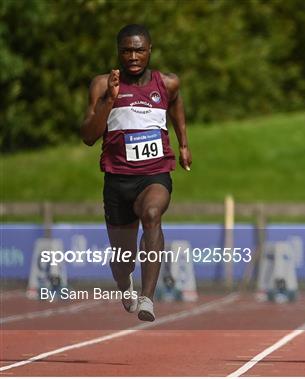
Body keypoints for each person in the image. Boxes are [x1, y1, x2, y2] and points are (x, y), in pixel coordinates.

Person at [81, 24, 192, 322]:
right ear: (118, 51)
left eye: (139, 49)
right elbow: (88, 136)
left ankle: (148, 298)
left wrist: (183, 144)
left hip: (154, 175)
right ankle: (125, 284)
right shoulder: (103, 84)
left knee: (152, 214)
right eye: (126, 50)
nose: (133, 56)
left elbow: (177, 105)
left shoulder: (166, 84)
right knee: (122, 260)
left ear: (150, 50)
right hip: (117, 180)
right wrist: (109, 101)